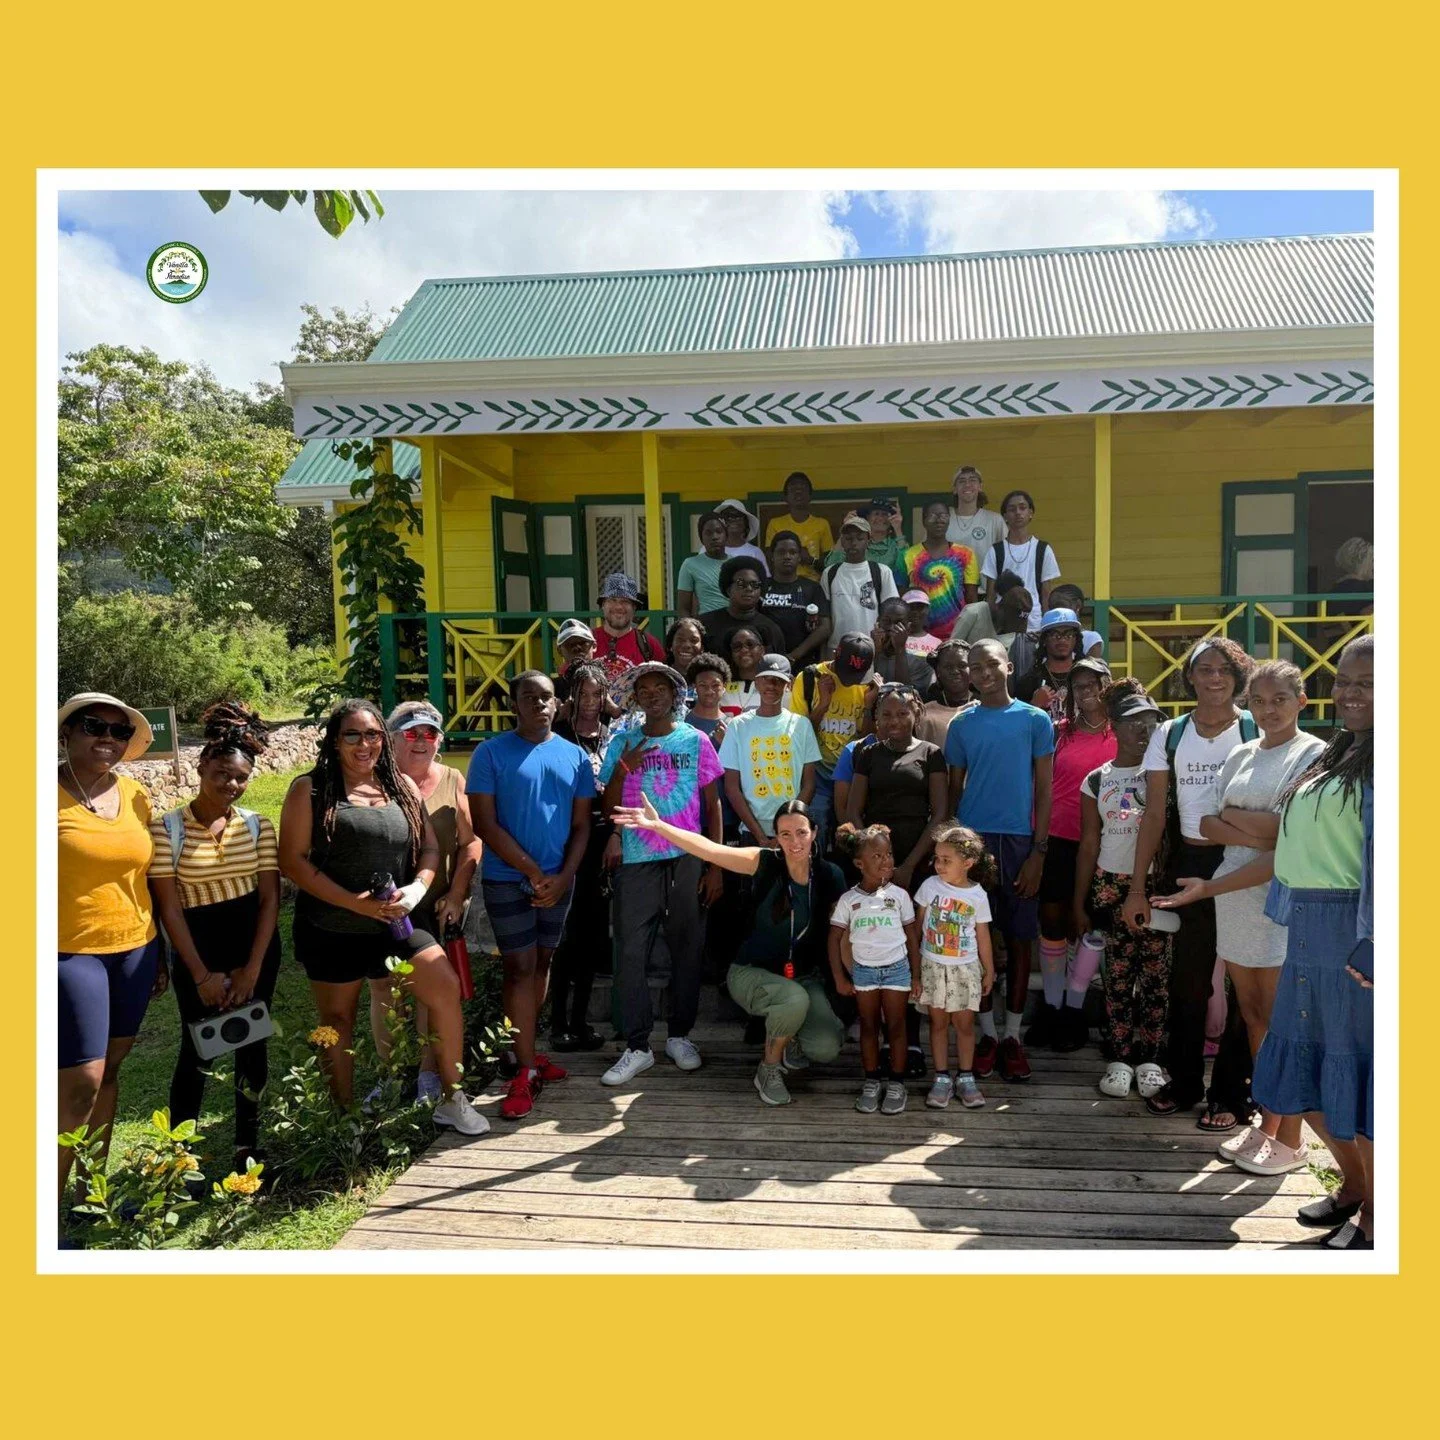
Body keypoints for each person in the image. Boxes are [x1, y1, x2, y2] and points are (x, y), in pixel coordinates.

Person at [1157, 636, 1375, 1248]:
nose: (1351, 693)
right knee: (1303, 1059)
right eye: (1345, 681)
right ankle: (1355, 1185)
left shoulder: (1386, 757)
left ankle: (1380, 1216)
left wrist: (1378, 940)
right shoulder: (1346, 749)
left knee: (1354, 1069)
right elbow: (1241, 828)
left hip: (1352, 929)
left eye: (1367, 683)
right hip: (1303, 916)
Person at [280, 699, 486, 1134]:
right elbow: (292, 862)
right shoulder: (311, 789)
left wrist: (418, 888)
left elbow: (430, 847)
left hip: (394, 923)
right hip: (331, 928)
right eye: (352, 735)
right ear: (335, 741)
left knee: (445, 987)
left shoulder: (400, 785)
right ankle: (344, 1119)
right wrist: (354, 903)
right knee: (337, 1021)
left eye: (372, 734)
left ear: (382, 740)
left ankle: (452, 1098)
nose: (364, 744)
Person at [1162, 661, 1321, 1172]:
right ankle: (1267, 1123)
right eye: (1259, 701)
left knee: (1282, 1023)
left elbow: (1291, 835)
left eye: (1280, 699)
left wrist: (1241, 823)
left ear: (1301, 701)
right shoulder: (1241, 753)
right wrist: (1259, 829)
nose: (1268, 710)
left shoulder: (1313, 753)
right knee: (1251, 1017)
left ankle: (1291, 1139)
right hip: (1233, 897)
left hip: (1277, 899)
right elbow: (1207, 823)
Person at [613, 795, 848, 1106]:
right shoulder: (763, 862)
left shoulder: (830, 875)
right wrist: (659, 826)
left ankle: (789, 1038)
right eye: (786, 834)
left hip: (803, 976)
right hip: (752, 973)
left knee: (825, 1046)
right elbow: (708, 848)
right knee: (793, 1000)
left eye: (802, 832)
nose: (795, 842)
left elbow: (843, 931)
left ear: (814, 832)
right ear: (776, 837)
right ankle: (768, 1069)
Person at [1122, 638, 1258, 1128]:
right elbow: (1155, 814)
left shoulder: (1254, 727)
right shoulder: (1170, 733)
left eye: (1225, 669)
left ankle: (1232, 1093)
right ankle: (1183, 1083)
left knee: (1244, 981)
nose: (1214, 677)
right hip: (1189, 861)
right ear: (1191, 676)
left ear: (1238, 677)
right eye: (1205, 669)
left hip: (1243, 861)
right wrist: (1137, 888)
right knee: (1188, 980)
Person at [150, 703, 281, 1175]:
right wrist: (202, 976)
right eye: (222, 773)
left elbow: (269, 900)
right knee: (197, 1050)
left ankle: (247, 1148)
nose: (231, 784)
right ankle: (179, 1157)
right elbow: (169, 908)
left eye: (241, 777)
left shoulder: (258, 825)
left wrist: (252, 970)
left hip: (254, 949)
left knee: (252, 1044)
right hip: (197, 951)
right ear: (202, 766)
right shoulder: (166, 829)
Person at [468, 672, 593, 1118]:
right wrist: (535, 872)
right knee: (519, 968)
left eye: (546, 697)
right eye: (529, 697)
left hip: (559, 880)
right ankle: (523, 1070)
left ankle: (525, 1050)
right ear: (514, 705)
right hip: (507, 878)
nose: (539, 704)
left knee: (542, 964)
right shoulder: (489, 753)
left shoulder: (575, 756)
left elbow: (582, 826)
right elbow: (484, 823)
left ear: (558, 704)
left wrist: (562, 877)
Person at [57, 692, 165, 1208]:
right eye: (93, 726)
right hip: (65, 952)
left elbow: (148, 877)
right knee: (82, 1080)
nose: (107, 738)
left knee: (112, 1071)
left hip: (135, 950)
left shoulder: (136, 795)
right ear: (66, 733)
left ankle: (90, 1196)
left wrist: (162, 951)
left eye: (120, 732)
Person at [599, 663, 725, 1087]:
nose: (652, 695)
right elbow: (608, 809)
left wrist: (714, 863)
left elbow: (713, 803)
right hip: (637, 857)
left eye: (660, 689)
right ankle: (637, 1046)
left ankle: (680, 1035)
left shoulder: (696, 740)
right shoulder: (624, 742)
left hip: (687, 855)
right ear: (636, 698)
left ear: (675, 696)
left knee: (687, 946)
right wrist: (624, 768)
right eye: (644, 690)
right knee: (631, 951)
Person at [945, 638, 1055, 1083]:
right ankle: (987, 1035)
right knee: (974, 941)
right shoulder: (962, 724)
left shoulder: (1035, 719)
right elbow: (954, 791)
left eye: (991, 664)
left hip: (1020, 843)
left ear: (1009, 667)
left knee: (1020, 938)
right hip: (973, 843)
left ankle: (1013, 1037)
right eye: (974, 667)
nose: (983, 673)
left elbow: (1044, 790)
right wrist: (953, 852)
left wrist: (1038, 852)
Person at [363, 702, 481, 1104]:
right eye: (411, 733)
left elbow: (471, 842)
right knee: (385, 987)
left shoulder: (452, 779)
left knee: (432, 991)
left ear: (439, 741)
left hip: (434, 904)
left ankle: (429, 1074)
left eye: (430, 733)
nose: (421, 741)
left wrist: (457, 893)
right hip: (382, 905)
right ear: (391, 739)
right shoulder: (371, 781)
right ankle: (392, 1074)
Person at [1072, 680, 1172, 1100]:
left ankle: (1150, 1059)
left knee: (1156, 977)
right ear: (1114, 726)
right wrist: (1080, 902)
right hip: (1110, 884)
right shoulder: (1097, 780)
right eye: (1133, 723)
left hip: (1154, 885)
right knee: (1116, 976)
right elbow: (1089, 843)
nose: (1144, 731)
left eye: (1151, 722)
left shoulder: (1165, 775)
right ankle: (1119, 1057)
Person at [1028, 657, 1115, 1050]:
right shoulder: (1058, 732)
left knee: (1089, 926)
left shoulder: (1122, 732)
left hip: (1105, 843)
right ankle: (1052, 1007)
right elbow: (1040, 785)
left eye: (1094, 683)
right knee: (1052, 922)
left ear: (1108, 686)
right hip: (1056, 839)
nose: (1087, 691)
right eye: (1079, 686)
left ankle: (1075, 1011)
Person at [548, 662, 617, 1052]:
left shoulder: (613, 733)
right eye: (583, 694)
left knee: (592, 936)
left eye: (597, 694)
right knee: (566, 935)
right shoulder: (557, 733)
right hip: (566, 839)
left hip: (602, 839)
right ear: (572, 695)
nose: (590, 702)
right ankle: (558, 1022)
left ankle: (581, 1020)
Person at [830, 825, 921, 1115]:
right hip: (864, 972)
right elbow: (834, 939)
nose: (886, 861)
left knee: (896, 1026)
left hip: (897, 970)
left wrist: (916, 975)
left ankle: (897, 1083)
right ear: (859, 863)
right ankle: (871, 1081)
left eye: (889, 854)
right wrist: (840, 977)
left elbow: (912, 937)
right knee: (869, 1026)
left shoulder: (900, 896)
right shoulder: (849, 901)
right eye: (877, 856)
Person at [914, 826, 996, 1109]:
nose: (939, 865)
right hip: (933, 967)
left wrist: (989, 969)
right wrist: (915, 969)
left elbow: (983, 935)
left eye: (946, 860)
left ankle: (966, 1077)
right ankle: (941, 1077)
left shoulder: (978, 895)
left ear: (968, 863)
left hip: (965, 969)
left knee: (964, 1025)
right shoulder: (929, 887)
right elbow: (916, 927)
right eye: (937, 859)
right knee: (938, 1024)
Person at [845, 685, 948, 895]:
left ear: (916, 715)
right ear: (877, 718)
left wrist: (909, 866)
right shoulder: (867, 754)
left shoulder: (931, 754)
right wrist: (874, 858)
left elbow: (940, 813)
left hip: (917, 855)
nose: (894, 721)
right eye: (887, 715)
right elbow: (853, 811)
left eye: (902, 714)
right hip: (874, 859)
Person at [787, 632, 877, 847]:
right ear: (836, 654)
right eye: (847, 673)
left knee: (849, 837)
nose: (851, 681)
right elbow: (800, 736)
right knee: (814, 833)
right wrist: (823, 704)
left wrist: (868, 706)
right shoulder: (809, 678)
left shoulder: (869, 686)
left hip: (851, 773)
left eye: (857, 675)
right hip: (817, 772)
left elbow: (866, 741)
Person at [719, 654, 820, 842]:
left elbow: (809, 784)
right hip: (751, 831)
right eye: (765, 678)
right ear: (756, 682)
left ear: (788, 684)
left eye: (778, 680)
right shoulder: (738, 726)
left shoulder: (801, 725)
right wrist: (761, 837)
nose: (771, 685)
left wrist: (786, 829)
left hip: (793, 831)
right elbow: (731, 788)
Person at [979, 490, 1061, 633]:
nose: (1018, 512)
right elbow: (991, 596)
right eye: (1012, 509)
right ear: (1005, 516)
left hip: (1034, 624)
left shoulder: (1043, 549)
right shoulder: (996, 551)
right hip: (1004, 625)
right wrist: (992, 628)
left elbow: (1046, 595)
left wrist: (1047, 628)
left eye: (1022, 508)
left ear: (1030, 513)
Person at [898, 499, 979, 639]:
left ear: (949, 520)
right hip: (919, 634)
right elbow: (901, 595)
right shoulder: (907, 555)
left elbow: (971, 598)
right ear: (924, 521)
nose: (938, 520)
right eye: (932, 516)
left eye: (943, 515)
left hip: (956, 633)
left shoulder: (965, 554)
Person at [822, 512, 899, 650]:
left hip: (871, 648)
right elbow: (825, 618)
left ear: (868, 541)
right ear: (842, 541)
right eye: (848, 538)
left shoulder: (881, 572)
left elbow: (891, 612)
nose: (854, 543)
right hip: (837, 648)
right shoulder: (830, 573)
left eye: (860, 538)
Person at [761, 530, 831, 668]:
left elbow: (825, 627)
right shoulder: (761, 586)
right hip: (766, 661)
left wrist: (793, 656)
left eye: (792, 552)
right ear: (772, 556)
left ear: (799, 557)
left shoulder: (812, 588)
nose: (787, 556)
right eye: (781, 552)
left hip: (803, 663)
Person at [698, 557, 787, 661]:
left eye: (754, 584)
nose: (749, 589)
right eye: (741, 583)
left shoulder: (771, 629)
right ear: (728, 589)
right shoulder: (705, 624)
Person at [951, 568, 1038, 676]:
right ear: (1000, 607)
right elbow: (952, 649)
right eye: (1010, 621)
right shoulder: (974, 613)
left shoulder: (1012, 632)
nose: (1012, 629)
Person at [592, 572, 665, 693]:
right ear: (603, 605)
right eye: (612, 600)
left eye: (625, 601)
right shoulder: (586, 641)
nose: (619, 607)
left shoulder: (649, 645)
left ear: (634, 608)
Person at [1015, 608, 1084, 722]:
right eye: (1055, 634)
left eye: (1068, 635)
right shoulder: (1029, 681)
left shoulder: (1087, 677)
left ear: (1076, 639)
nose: (1062, 640)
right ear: (1044, 640)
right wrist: (1034, 704)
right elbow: (1017, 725)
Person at [762, 471, 833, 581]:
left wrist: (810, 560)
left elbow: (830, 564)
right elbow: (769, 560)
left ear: (810, 496)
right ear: (786, 497)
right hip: (784, 582)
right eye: (793, 489)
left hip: (813, 583)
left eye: (803, 488)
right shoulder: (775, 524)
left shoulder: (822, 524)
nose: (798, 492)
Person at [946, 464, 1007, 582]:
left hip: (984, 590)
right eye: (962, 481)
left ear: (980, 487)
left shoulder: (995, 520)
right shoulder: (943, 518)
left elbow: (1006, 557)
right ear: (955, 489)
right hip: (949, 590)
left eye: (972, 480)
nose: (967, 484)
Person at [918, 639, 974, 745]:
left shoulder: (983, 705)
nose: (955, 671)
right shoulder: (925, 713)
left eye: (962, 665)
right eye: (948, 667)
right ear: (938, 671)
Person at [825, 499, 907, 572]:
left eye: (884, 514)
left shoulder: (895, 545)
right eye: (876, 514)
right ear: (867, 518)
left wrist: (898, 529)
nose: (880, 518)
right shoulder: (855, 544)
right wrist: (846, 529)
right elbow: (831, 565)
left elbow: (906, 568)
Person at [871, 596, 934, 689]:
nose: (892, 627)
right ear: (878, 623)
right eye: (886, 621)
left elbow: (904, 692)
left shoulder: (921, 664)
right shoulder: (864, 654)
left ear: (908, 627)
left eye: (899, 623)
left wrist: (900, 649)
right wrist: (875, 651)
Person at [676, 511, 731, 618]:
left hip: (735, 624)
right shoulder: (690, 564)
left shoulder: (736, 563)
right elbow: (683, 609)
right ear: (701, 538)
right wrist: (690, 626)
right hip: (707, 623)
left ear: (726, 535)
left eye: (719, 531)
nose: (714, 537)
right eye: (708, 533)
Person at [720, 626, 768, 717]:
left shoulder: (775, 687)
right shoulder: (720, 688)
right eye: (737, 646)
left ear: (762, 650)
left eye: (750, 644)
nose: (744, 650)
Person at [1048, 584, 1105, 658]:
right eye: (1051, 607)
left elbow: (1093, 665)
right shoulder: (1046, 637)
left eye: (1061, 606)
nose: (1056, 611)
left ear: (1078, 605)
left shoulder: (1090, 638)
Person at [716, 498, 769, 573]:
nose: (733, 519)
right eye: (728, 516)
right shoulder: (708, 550)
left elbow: (764, 579)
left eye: (738, 516)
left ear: (746, 523)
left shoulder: (755, 552)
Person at [664, 617, 707, 706]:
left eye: (694, 640)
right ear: (670, 645)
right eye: (680, 640)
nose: (687, 645)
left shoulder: (710, 680)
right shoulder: (660, 678)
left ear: (702, 648)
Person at [902, 590, 941, 660]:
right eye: (910, 607)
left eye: (920, 607)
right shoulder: (895, 638)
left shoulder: (937, 643)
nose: (915, 611)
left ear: (927, 610)